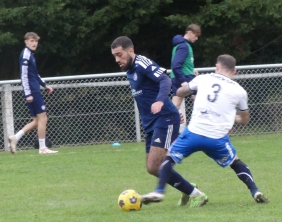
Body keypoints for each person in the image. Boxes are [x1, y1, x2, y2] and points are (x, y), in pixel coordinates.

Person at [142, 54, 269, 207]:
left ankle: (159, 191)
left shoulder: (203, 78)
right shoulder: (240, 91)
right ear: (234, 72)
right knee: (236, 162)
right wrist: (229, 117)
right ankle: (255, 191)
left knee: (169, 158)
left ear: (217, 67)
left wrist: (191, 86)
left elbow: (181, 92)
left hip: (194, 133)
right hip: (217, 139)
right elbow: (245, 120)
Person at [111, 36, 191, 196]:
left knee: (156, 163)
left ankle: (194, 193)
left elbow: (164, 79)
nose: (117, 59)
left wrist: (161, 102)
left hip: (165, 118)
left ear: (131, 50)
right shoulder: (130, 69)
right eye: (114, 56)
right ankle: (187, 187)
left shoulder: (141, 63)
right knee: (153, 168)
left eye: (119, 54)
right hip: (151, 123)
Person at [8, 32, 58, 154]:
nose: (34, 43)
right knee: (43, 118)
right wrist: (28, 94)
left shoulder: (30, 54)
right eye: (31, 41)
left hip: (34, 89)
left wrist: (45, 85)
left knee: (37, 121)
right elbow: (24, 76)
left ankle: (15, 138)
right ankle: (43, 148)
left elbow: (34, 74)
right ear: (26, 42)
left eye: (36, 41)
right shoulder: (26, 55)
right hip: (32, 91)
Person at [170, 24, 201, 132]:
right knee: (200, 98)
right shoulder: (183, 46)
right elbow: (176, 65)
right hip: (183, 78)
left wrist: (192, 70)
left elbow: (183, 64)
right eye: (196, 35)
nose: (196, 38)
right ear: (190, 32)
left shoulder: (181, 45)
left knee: (174, 106)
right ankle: (203, 126)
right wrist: (183, 81)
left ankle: (166, 127)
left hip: (182, 76)